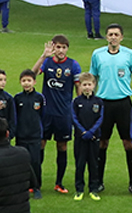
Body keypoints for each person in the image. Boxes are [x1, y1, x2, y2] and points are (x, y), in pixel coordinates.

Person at [90, 23, 132, 193]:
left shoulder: (130, 54)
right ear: (106, 36)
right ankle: (98, 180)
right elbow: (93, 76)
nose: (113, 37)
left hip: (123, 104)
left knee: (128, 143)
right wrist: (90, 97)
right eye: (110, 34)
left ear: (121, 37)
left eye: (116, 34)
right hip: (103, 103)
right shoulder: (97, 55)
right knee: (102, 142)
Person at [32, 35, 81, 194]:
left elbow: (78, 88)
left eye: (63, 47)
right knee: (40, 144)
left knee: (62, 145)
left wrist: (80, 108)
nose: (60, 50)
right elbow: (31, 75)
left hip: (63, 113)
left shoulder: (73, 65)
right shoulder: (47, 62)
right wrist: (42, 56)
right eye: (57, 47)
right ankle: (36, 183)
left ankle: (59, 183)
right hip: (46, 113)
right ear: (53, 47)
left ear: (67, 48)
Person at [72, 72, 104, 201]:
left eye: (89, 84)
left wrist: (91, 132)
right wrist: (83, 132)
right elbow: (73, 118)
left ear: (94, 85)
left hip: (93, 138)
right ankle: (79, 189)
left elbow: (100, 118)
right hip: (80, 138)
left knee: (93, 164)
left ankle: (93, 189)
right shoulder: (76, 101)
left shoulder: (98, 102)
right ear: (79, 86)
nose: (86, 87)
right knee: (80, 164)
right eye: (84, 85)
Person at [13, 70, 45, 199]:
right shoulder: (17, 98)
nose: (26, 83)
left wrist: (40, 131)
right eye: (24, 81)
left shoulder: (39, 98)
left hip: (35, 135)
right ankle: (23, 187)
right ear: (20, 82)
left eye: (29, 80)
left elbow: (43, 115)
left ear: (34, 82)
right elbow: (14, 116)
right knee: (21, 162)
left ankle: (36, 186)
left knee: (35, 162)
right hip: (21, 135)